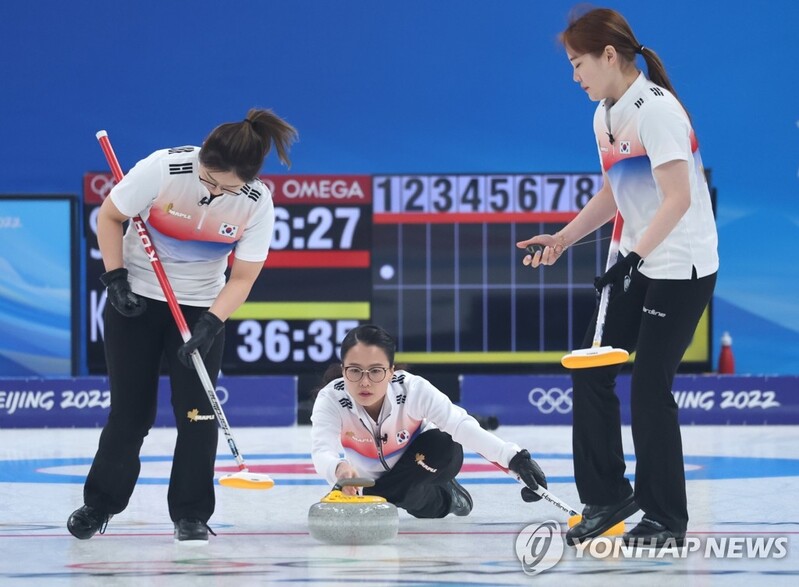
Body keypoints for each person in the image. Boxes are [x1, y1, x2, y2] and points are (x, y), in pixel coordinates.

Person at [517, 8, 718, 548]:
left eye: (578, 63)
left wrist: (634, 259)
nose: (575, 76)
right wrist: (561, 239)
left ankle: (666, 519)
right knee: (590, 371)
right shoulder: (604, 114)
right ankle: (607, 497)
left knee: (650, 388)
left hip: (681, 266)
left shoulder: (657, 111)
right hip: (634, 259)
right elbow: (616, 190)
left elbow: (678, 198)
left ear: (609, 56)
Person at [67, 108, 298, 543]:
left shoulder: (256, 202)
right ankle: (99, 504)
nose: (212, 191)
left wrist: (211, 323)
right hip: (134, 297)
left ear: (248, 180)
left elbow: (243, 276)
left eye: (225, 187)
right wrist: (115, 279)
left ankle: (191, 514)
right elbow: (109, 217)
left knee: (197, 413)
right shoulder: (163, 169)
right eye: (208, 179)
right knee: (131, 414)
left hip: (199, 309)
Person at [311, 324, 548, 520]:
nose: (365, 382)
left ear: (391, 371)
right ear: (343, 371)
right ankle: (449, 499)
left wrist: (515, 459)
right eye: (355, 371)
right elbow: (323, 450)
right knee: (411, 500)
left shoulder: (412, 389)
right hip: (383, 483)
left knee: (442, 443)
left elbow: (459, 425)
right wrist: (338, 469)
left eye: (375, 371)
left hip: (430, 458)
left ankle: (383, 495)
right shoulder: (331, 400)